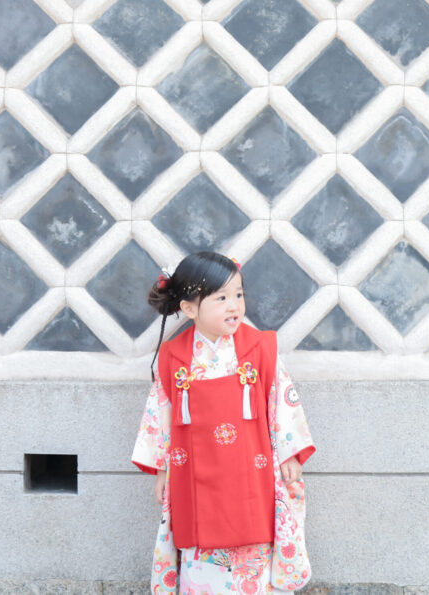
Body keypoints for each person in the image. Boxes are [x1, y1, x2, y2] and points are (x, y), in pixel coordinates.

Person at [131, 251, 316, 594]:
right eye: (221, 298)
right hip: (194, 472)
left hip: (252, 468)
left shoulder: (260, 348)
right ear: (189, 308)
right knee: (199, 542)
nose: (234, 306)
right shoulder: (174, 357)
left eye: (238, 295)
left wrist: (289, 452)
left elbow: (280, 399)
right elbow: (161, 415)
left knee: (257, 536)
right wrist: (161, 471)